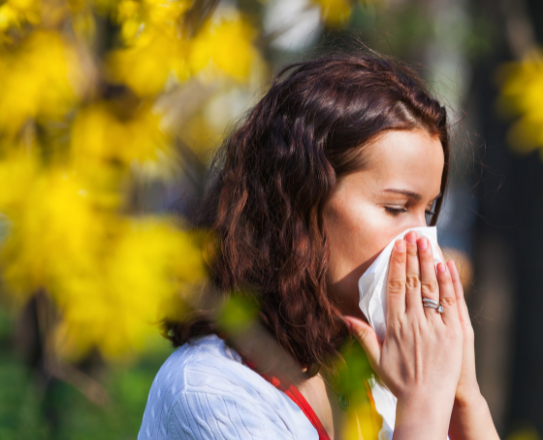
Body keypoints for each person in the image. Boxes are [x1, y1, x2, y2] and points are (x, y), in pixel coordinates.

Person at [138, 51, 500, 440]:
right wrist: (424, 407)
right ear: (299, 201)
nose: (423, 245)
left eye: (427, 213)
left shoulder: (382, 376)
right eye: (396, 207)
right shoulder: (210, 392)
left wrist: (464, 399)